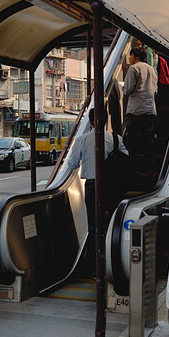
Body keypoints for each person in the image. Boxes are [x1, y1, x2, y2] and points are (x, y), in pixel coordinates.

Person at [64, 108, 128, 268]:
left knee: (94, 225)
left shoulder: (82, 140)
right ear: (106, 120)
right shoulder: (115, 139)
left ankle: (96, 264)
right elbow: (126, 158)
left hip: (92, 186)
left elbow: (71, 164)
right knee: (113, 222)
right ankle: (114, 260)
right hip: (112, 186)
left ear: (91, 122)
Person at [122, 46, 158, 171]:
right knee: (148, 138)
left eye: (130, 57)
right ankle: (149, 164)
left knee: (132, 139)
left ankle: (133, 165)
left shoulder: (133, 69)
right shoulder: (152, 70)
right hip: (150, 109)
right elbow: (155, 90)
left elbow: (128, 89)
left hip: (135, 110)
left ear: (136, 57)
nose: (129, 59)